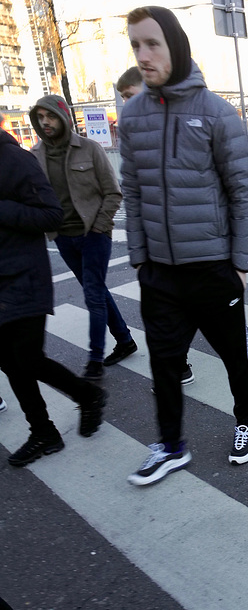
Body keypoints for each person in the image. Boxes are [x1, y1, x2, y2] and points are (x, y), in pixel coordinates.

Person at [119, 6, 248, 485]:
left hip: (213, 268)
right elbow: (132, 191)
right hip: (160, 272)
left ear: (175, 45)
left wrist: (240, 263)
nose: (142, 54)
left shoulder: (217, 114)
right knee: (163, 363)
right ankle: (171, 445)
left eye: (152, 43)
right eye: (135, 44)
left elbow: (243, 189)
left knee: (233, 356)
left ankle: (247, 424)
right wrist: (140, 259)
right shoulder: (133, 115)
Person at [0, 114, 106, 467]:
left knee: (27, 359)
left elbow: (49, 215)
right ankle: (43, 431)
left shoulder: (13, 158)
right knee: (10, 363)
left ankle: (87, 394)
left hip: (23, 275)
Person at [29, 96, 137, 380]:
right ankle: (125, 340)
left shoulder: (89, 149)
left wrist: (100, 227)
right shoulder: (35, 154)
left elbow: (113, 191)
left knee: (92, 295)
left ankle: (94, 360)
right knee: (97, 290)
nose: (45, 122)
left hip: (93, 234)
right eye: (40, 117)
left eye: (49, 116)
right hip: (63, 237)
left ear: (62, 117)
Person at [115, 67, 195, 388]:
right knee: (172, 310)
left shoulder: (179, 120)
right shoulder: (134, 131)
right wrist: (138, 250)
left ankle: (182, 360)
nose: (127, 105)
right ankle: (178, 363)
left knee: (192, 306)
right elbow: (131, 189)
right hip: (158, 242)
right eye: (123, 99)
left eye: (130, 96)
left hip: (192, 237)